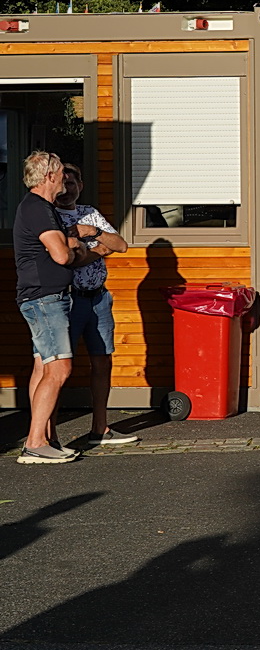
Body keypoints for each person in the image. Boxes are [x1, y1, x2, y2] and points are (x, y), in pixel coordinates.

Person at [15, 152, 101, 464]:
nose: (64, 177)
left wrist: (71, 245)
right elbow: (62, 256)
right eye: (61, 172)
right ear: (49, 176)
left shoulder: (40, 207)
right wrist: (76, 247)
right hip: (45, 298)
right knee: (59, 368)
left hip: (44, 297)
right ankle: (35, 443)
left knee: (43, 367)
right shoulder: (38, 208)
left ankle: (45, 439)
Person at [55, 164, 134, 446]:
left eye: (71, 183)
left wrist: (93, 232)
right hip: (68, 299)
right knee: (57, 367)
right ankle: (48, 436)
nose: (66, 190)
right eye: (62, 183)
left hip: (99, 298)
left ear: (81, 185)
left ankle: (100, 429)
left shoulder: (89, 213)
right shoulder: (50, 216)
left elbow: (120, 245)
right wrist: (99, 251)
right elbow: (69, 259)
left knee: (102, 361)